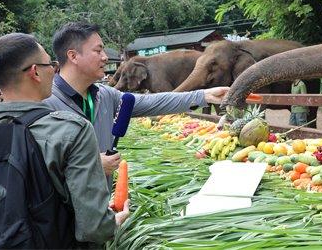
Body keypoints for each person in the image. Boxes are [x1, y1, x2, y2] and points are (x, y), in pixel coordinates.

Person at [0, 33, 129, 245]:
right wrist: (114, 222)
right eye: (51, 64)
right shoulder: (71, 131)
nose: (54, 71)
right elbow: (93, 229)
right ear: (35, 72)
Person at [44, 22, 229, 178]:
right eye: (98, 50)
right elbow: (36, 166)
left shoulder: (105, 95)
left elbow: (151, 103)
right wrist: (90, 164)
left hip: (101, 207)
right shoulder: (45, 104)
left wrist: (203, 95)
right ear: (73, 56)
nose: (105, 57)